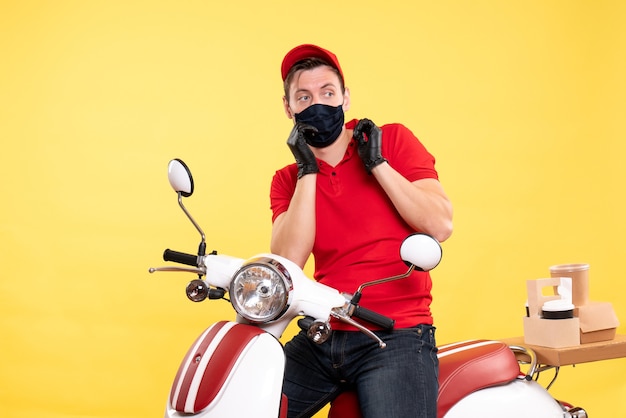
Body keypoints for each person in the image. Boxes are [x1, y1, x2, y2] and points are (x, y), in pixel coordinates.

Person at [269, 44, 453, 418]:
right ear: (289, 108)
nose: (317, 103)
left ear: (345, 97)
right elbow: (287, 264)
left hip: (395, 336)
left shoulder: (394, 141)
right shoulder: (287, 179)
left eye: (328, 93)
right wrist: (308, 170)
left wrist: (379, 164)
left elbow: (440, 224)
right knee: (247, 400)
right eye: (304, 97)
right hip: (324, 331)